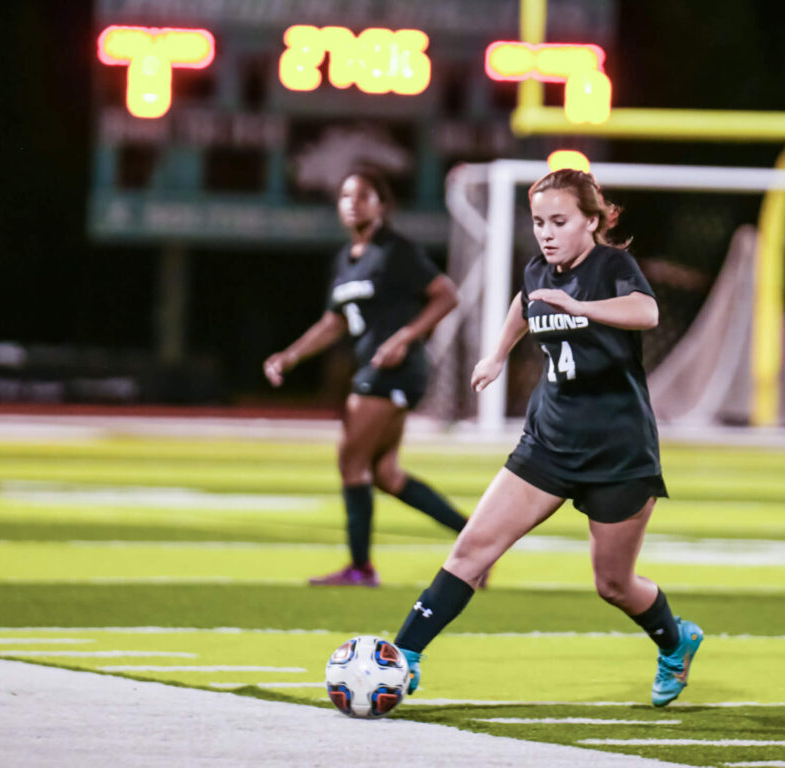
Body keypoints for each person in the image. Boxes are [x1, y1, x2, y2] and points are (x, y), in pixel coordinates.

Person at [390, 169, 703, 706]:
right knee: (471, 553)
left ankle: (675, 641)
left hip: (617, 453)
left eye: (559, 221)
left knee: (613, 585)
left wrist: (582, 308)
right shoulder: (540, 269)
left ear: (591, 220)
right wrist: (497, 354)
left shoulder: (613, 267)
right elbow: (525, 300)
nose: (547, 233)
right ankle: (402, 659)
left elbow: (646, 312)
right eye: (538, 222)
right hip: (546, 445)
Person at [263, 168, 468, 587]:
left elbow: (447, 294)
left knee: (350, 460)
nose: (352, 202)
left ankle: (360, 569)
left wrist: (406, 336)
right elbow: (333, 322)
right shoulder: (346, 259)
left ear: (382, 204)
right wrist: (291, 355)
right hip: (373, 367)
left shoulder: (396, 250)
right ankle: (476, 541)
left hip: (395, 368)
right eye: (345, 196)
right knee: (387, 475)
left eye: (363, 195)